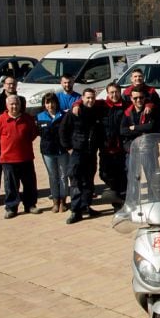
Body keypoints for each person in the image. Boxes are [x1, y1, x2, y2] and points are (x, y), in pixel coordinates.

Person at [0, 94, 39, 219]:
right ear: (7, 106)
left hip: (25, 157)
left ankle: (30, 205)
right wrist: (5, 146)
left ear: (20, 105)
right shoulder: (0, 120)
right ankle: (11, 207)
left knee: (29, 184)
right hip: (8, 159)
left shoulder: (27, 119)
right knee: (11, 186)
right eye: (11, 104)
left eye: (16, 104)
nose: (14, 106)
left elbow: (33, 134)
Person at [60, 88, 105, 224]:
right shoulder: (74, 112)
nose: (90, 100)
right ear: (82, 98)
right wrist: (68, 147)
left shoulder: (97, 111)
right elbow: (63, 130)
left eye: (92, 98)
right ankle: (75, 210)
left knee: (89, 180)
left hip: (91, 152)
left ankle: (86, 205)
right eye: (87, 98)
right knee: (75, 180)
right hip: (77, 152)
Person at [0, 76, 25, 206]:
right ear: (3, 85)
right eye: (8, 84)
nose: (11, 86)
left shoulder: (21, 100)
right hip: (0, 141)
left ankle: (17, 195)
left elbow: (21, 115)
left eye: (13, 84)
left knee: (18, 171)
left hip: (16, 142)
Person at [36, 92, 69, 214]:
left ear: (56, 103)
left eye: (52, 102)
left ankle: (63, 201)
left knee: (63, 176)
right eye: (47, 102)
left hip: (62, 151)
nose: (50, 105)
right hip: (47, 152)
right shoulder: (39, 117)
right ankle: (55, 201)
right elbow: (38, 132)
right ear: (44, 104)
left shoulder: (64, 115)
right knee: (53, 176)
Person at [98, 83, 129, 207]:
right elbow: (84, 102)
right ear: (107, 93)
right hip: (106, 148)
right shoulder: (101, 106)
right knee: (104, 174)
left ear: (120, 92)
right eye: (111, 92)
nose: (114, 94)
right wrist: (76, 105)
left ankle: (120, 203)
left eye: (116, 92)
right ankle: (116, 194)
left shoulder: (126, 107)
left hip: (121, 148)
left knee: (122, 175)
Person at [121, 89, 160, 154]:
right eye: (135, 98)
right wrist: (142, 130)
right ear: (131, 98)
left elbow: (151, 126)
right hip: (133, 148)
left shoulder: (150, 110)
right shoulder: (127, 112)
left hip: (149, 147)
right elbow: (123, 130)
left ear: (144, 97)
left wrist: (134, 127)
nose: (138, 100)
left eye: (141, 97)